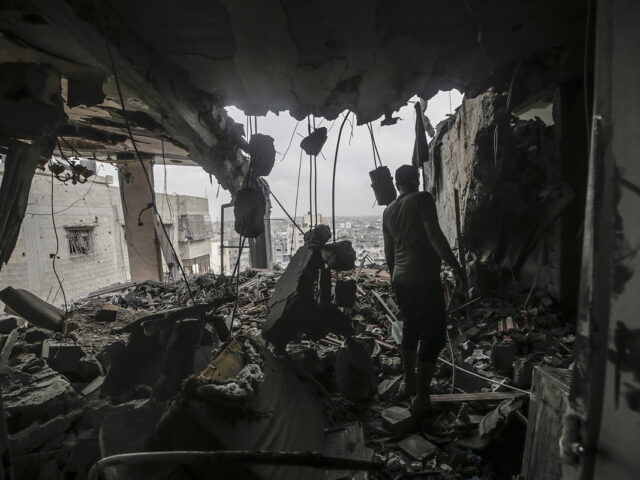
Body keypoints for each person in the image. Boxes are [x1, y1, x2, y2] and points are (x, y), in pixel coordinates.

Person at [382, 165, 465, 418]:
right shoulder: (422, 198)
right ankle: (422, 398)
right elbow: (434, 236)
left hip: (401, 278)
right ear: (416, 180)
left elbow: (389, 254)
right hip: (423, 279)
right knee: (433, 336)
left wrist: (395, 278)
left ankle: (409, 384)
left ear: (397, 184)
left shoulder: (388, 211)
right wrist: (456, 267)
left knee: (410, 328)